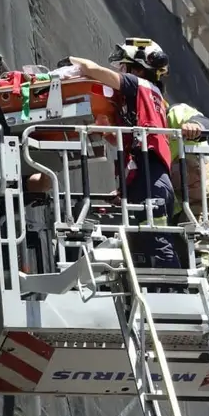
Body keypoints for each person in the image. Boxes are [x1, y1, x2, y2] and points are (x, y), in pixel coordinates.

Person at [68, 38, 181, 269]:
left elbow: (91, 69)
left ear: (138, 69)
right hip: (148, 178)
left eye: (124, 66)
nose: (121, 71)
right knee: (145, 244)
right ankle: (162, 285)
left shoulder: (138, 84)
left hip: (151, 180)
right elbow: (127, 141)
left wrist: (69, 64)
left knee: (158, 244)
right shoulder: (150, 99)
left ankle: (173, 286)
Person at [165, 102, 209, 268]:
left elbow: (204, 121)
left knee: (201, 239)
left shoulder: (175, 113)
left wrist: (195, 126)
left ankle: (204, 261)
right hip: (178, 207)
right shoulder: (141, 135)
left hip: (203, 200)